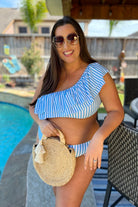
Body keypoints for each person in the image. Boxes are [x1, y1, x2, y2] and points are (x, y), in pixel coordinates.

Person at [29, 16, 124, 207]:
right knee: (61, 198)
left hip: (82, 152)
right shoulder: (51, 74)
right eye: (59, 39)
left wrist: (99, 137)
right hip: (52, 154)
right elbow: (32, 106)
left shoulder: (96, 74)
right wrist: (42, 123)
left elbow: (116, 111)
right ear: (54, 44)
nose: (66, 45)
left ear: (80, 39)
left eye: (72, 37)